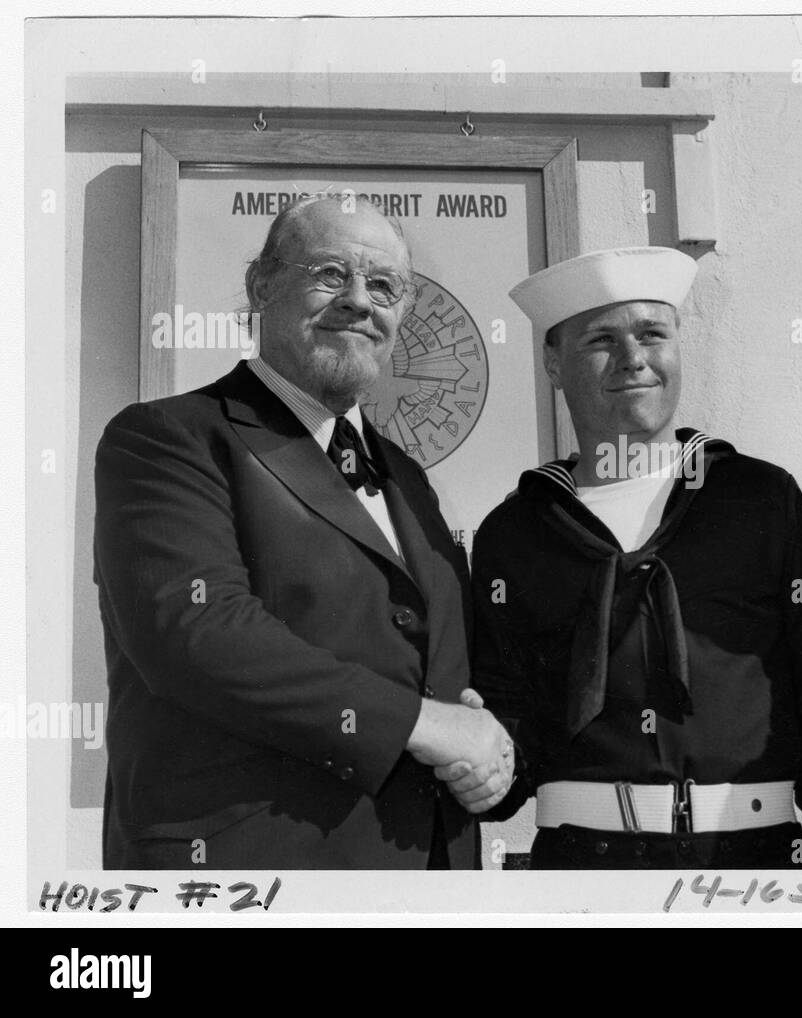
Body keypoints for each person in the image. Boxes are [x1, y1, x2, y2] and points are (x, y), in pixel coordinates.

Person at [94, 193, 512, 869]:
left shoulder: (404, 473)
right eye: (329, 274)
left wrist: (489, 749)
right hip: (251, 877)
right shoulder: (168, 439)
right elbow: (199, 636)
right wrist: (425, 725)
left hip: (425, 873)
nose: (358, 301)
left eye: (383, 286)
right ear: (262, 286)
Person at [470, 246, 802, 869]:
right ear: (552, 362)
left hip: (751, 868)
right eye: (601, 339)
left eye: (653, 334)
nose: (634, 359)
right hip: (578, 874)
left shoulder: (759, 498)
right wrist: (480, 760)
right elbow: (504, 714)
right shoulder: (514, 531)